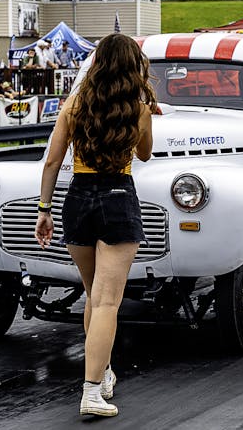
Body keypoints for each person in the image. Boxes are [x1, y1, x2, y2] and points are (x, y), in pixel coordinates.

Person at [34, 33, 155, 418]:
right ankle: (91, 391)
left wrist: (44, 209)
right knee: (106, 302)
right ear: (132, 67)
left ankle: (102, 375)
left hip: (78, 198)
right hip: (118, 196)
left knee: (93, 295)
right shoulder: (139, 110)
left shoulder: (74, 105)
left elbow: (52, 162)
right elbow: (145, 154)